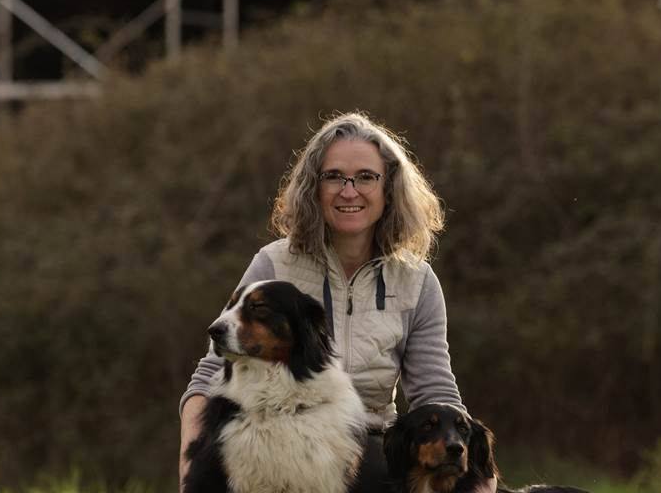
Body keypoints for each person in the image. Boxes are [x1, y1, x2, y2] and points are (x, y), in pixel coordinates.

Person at [179, 112, 496, 493]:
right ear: (314, 186)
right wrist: (193, 470)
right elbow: (209, 376)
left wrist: (481, 483)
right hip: (266, 442)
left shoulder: (417, 281)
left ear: (389, 187)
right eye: (334, 177)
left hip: (368, 445)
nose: (349, 191)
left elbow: (434, 391)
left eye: (365, 177)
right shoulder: (274, 264)